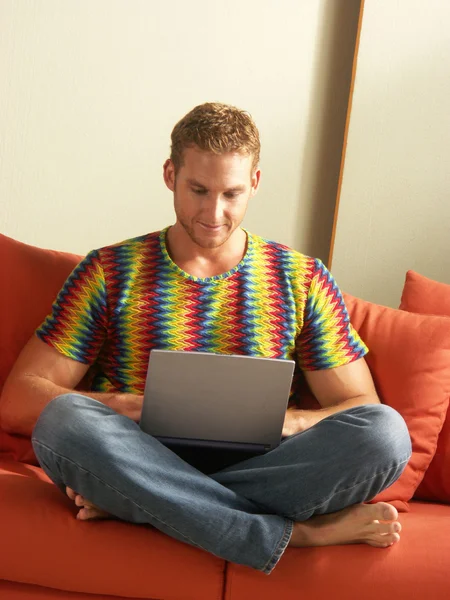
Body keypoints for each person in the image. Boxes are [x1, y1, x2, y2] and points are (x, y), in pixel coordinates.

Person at [0, 102, 412, 575]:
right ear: (170, 173)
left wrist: (286, 422)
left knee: (386, 434)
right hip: (137, 456)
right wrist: (137, 407)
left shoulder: (300, 278)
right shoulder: (110, 271)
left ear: (254, 183)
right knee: (64, 421)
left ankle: (150, 509)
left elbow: (360, 405)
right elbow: (18, 398)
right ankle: (292, 535)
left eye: (232, 193)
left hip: (259, 467)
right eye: (198, 190)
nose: (214, 212)